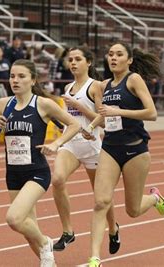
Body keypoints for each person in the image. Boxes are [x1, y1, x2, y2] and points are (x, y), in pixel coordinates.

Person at [0, 59, 80, 267]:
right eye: (12, 76)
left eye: (21, 76)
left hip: (37, 171)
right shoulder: (3, 104)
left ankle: (46, 241)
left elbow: (74, 125)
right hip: (13, 173)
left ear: (32, 80)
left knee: (14, 219)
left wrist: (57, 144)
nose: (15, 80)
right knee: (28, 230)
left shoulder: (42, 104)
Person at [82, 42, 164, 267]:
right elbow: (104, 115)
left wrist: (117, 111)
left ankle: (154, 198)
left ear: (129, 60)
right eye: (110, 54)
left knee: (133, 210)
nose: (113, 58)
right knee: (101, 202)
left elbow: (152, 113)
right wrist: (90, 128)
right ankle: (94, 258)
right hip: (110, 148)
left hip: (135, 149)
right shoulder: (104, 85)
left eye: (119, 54)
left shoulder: (134, 80)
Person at [51, 47, 120, 254]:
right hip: (71, 145)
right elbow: (69, 120)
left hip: (92, 148)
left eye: (78, 59)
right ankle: (67, 231)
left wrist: (81, 110)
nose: (73, 63)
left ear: (88, 62)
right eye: (70, 60)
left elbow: (104, 118)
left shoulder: (95, 86)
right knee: (57, 179)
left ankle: (113, 228)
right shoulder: (69, 87)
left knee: (102, 197)